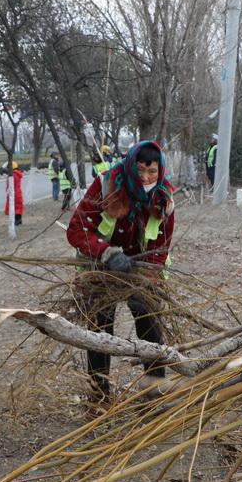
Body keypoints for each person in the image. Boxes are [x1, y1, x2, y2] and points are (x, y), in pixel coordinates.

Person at [66, 140, 175, 401]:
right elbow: (76, 230)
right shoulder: (105, 186)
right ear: (130, 167)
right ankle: (99, 393)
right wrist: (106, 252)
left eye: (153, 172)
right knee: (99, 330)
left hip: (139, 270)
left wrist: (146, 277)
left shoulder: (163, 198)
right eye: (140, 171)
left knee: (149, 321)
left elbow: (161, 246)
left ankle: (154, 389)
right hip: (100, 267)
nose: (147, 178)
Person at [3, 160, 24, 225]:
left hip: (14, 194)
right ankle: (19, 221)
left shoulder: (13, 175)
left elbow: (9, 185)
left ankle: (17, 222)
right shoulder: (17, 174)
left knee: (14, 208)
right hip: (18, 193)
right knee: (18, 208)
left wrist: (7, 193)